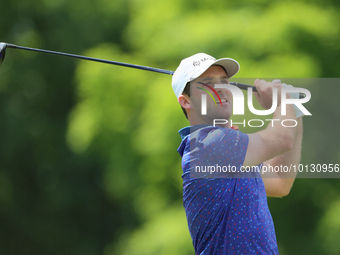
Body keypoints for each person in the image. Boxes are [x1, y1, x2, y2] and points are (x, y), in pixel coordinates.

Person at [172, 53, 303, 254]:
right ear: (186, 101)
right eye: (208, 84)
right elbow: (282, 139)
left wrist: (294, 110)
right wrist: (281, 102)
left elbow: (279, 182)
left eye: (224, 82)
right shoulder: (208, 145)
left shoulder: (231, 148)